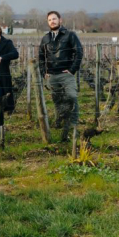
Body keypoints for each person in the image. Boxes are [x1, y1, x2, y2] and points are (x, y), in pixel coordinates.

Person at [38, 11, 84, 141]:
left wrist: (72, 70)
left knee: (72, 97)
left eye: (54, 19)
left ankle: (73, 125)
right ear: (48, 22)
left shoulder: (70, 35)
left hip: (66, 74)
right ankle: (61, 122)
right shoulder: (45, 38)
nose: (52, 21)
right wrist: (44, 72)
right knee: (57, 100)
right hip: (52, 75)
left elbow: (79, 53)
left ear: (60, 20)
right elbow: (41, 57)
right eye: (50, 20)